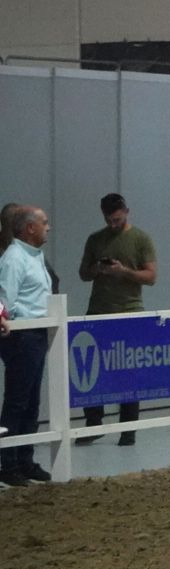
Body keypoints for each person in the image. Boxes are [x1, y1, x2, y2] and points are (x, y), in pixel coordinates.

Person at [76, 193, 158, 445]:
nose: (113, 224)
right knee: (90, 370)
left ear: (126, 211)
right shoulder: (95, 239)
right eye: (108, 220)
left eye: (117, 219)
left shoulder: (141, 239)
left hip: (129, 311)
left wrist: (124, 272)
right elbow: (83, 274)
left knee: (129, 372)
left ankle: (128, 429)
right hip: (99, 311)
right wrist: (98, 269)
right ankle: (93, 422)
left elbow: (151, 276)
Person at [0, 206, 55, 484]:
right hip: (22, 336)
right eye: (44, 223)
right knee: (17, 402)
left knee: (31, 402)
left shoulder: (34, 257)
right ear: (30, 228)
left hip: (36, 334)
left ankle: (25, 459)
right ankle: (8, 464)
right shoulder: (15, 258)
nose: (49, 227)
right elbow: (5, 299)